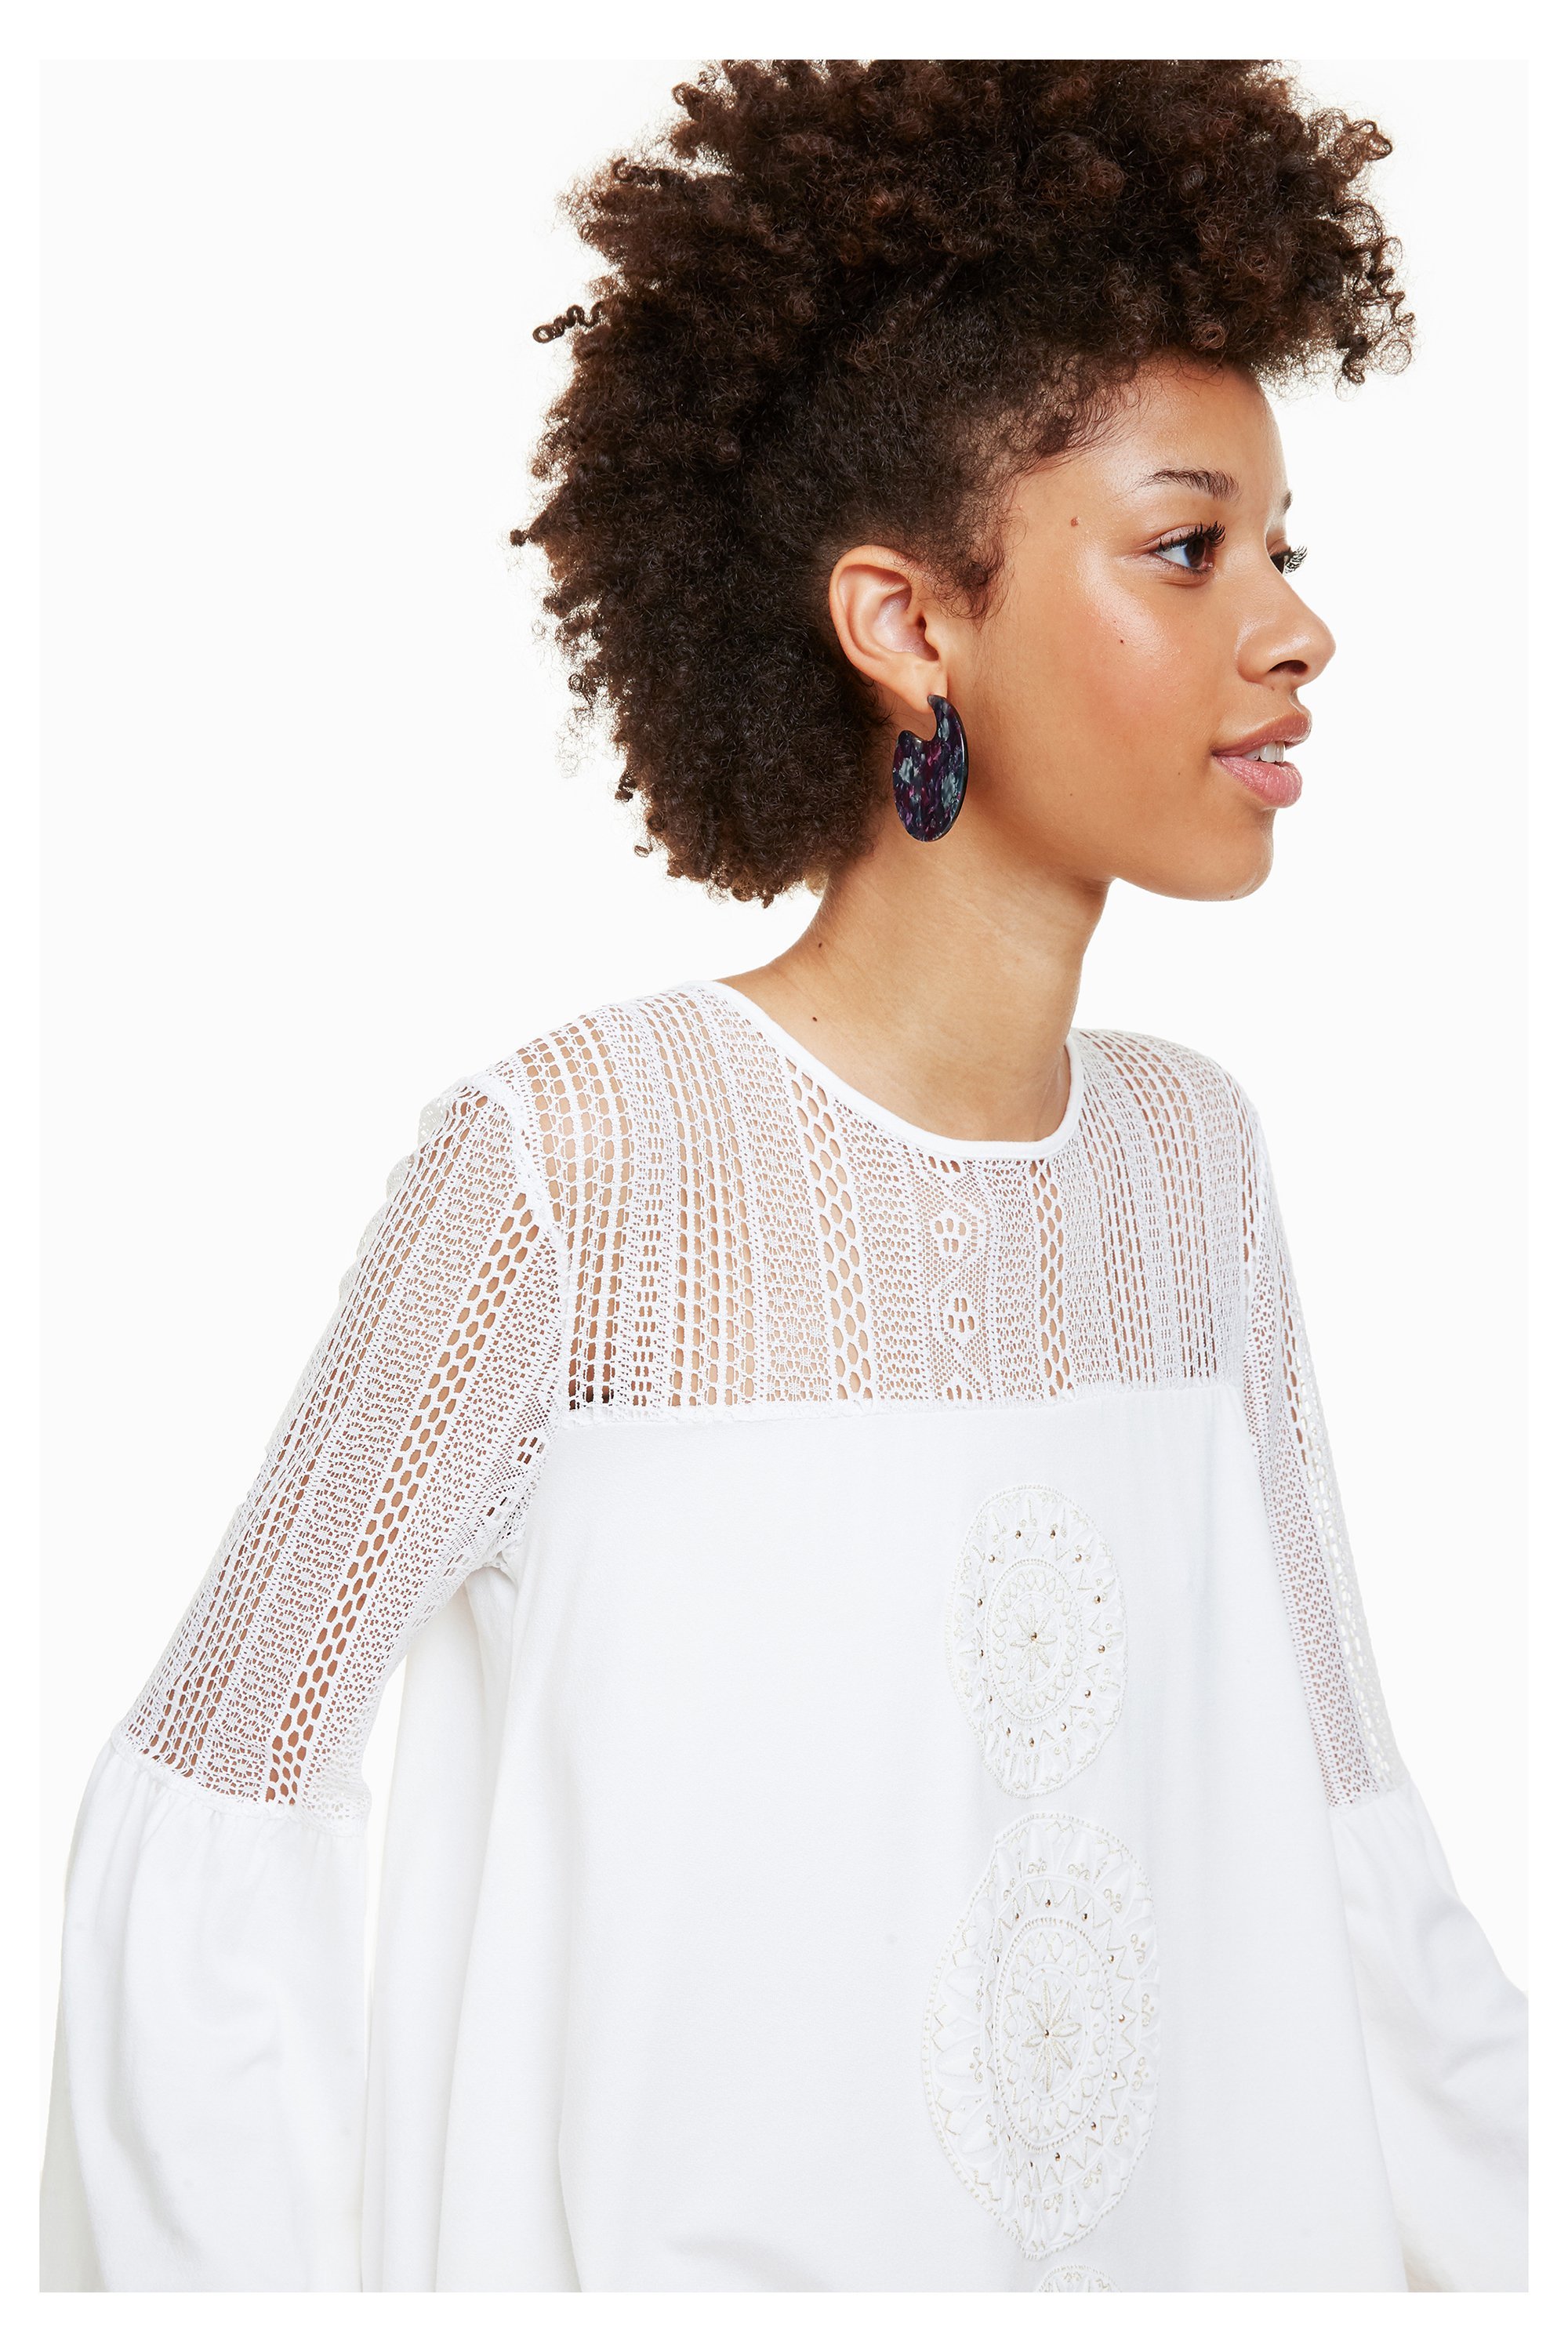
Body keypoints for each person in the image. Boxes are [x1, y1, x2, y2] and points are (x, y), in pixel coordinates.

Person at [42, 59, 1526, 2292]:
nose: (1293, 629)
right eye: (1188, 546)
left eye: (1283, 553)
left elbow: (1338, 1834)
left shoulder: (1192, 1175)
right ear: (909, 624)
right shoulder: (573, 1171)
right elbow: (219, 1805)